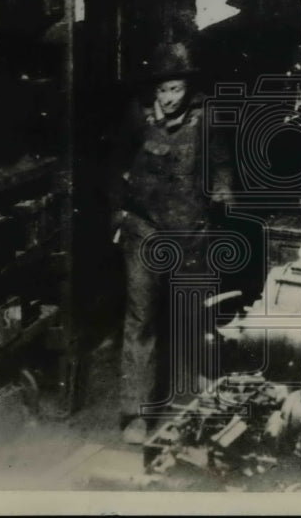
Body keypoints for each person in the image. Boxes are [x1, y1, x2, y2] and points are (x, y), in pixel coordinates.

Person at [108, 40, 234, 444]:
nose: (170, 97)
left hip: (193, 231)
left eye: (177, 89)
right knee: (140, 319)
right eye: (164, 90)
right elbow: (114, 165)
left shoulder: (205, 116)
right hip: (144, 230)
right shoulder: (137, 117)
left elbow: (220, 164)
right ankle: (135, 414)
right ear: (154, 91)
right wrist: (119, 213)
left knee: (200, 318)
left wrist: (224, 193)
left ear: (187, 87)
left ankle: (207, 399)